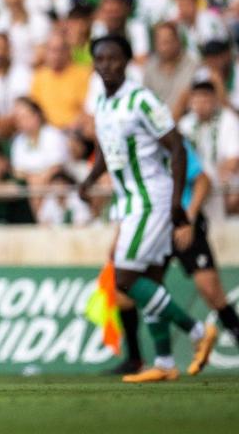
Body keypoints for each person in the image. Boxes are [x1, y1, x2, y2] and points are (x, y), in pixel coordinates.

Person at [78, 34, 217, 383]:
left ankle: (199, 331)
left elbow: (178, 148)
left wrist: (175, 205)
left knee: (125, 278)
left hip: (151, 199)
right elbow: (108, 151)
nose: (107, 65)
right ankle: (166, 362)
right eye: (101, 59)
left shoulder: (141, 99)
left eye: (114, 58)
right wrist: (89, 179)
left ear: (127, 62)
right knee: (150, 279)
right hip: (128, 203)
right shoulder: (104, 104)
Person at [106, 140, 239, 375]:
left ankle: (198, 332)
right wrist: (119, 233)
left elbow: (202, 180)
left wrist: (189, 216)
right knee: (132, 289)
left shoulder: (171, 143)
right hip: (150, 225)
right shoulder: (129, 147)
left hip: (180, 223)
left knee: (210, 290)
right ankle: (144, 360)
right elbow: (127, 195)